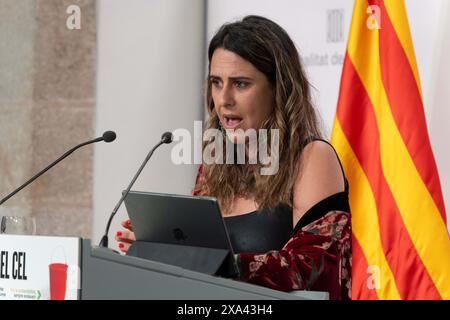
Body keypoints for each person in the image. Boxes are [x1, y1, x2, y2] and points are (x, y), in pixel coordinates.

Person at [116, 15, 351, 300]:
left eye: (240, 84)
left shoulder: (312, 157)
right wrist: (156, 248)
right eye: (216, 82)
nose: (224, 98)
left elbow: (316, 269)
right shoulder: (214, 165)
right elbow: (198, 273)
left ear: (279, 88)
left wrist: (212, 262)